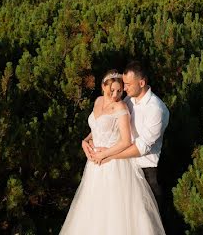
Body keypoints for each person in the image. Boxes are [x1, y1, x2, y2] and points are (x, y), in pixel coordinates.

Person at [60, 69, 165, 235]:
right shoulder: (99, 101)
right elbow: (97, 128)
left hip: (114, 164)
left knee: (115, 212)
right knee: (92, 210)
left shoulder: (124, 106)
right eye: (112, 90)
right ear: (103, 86)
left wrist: (106, 154)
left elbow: (126, 141)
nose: (116, 94)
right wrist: (86, 141)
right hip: (95, 165)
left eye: (119, 90)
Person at [102, 60, 173, 232]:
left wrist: (110, 155)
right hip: (125, 169)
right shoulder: (129, 100)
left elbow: (142, 147)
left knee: (148, 223)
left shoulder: (157, 109)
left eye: (128, 84)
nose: (124, 88)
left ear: (141, 83)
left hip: (146, 172)